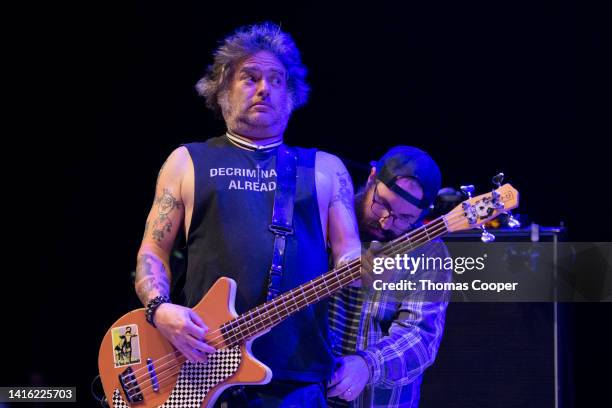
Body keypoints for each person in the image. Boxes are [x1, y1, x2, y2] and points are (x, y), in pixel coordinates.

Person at [133, 23, 361, 406]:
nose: (264, 88)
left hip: (298, 376)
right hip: (200, 369)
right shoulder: (187, 160)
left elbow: (349, 254)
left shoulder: (325, 168)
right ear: (222, 90)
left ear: (290, 95)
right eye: (250, 77)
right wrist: (160, 310)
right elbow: (151, 253)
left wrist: (369, 268)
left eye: (276, 79)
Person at [327, 146, 452, 408]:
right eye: (381, 203)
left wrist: (367, 365)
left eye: (404, 217)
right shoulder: (328, 216)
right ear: (372, 177)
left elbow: (420, 337)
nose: (386, 221)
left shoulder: (430, 252)